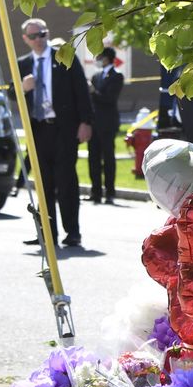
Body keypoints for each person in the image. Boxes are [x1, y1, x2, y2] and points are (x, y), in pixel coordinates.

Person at [17, 18, 93, 247]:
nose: (39, 39)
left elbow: (81, 90)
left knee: (66, 181)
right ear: (25, 39)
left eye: (42, 34)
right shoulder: (22, 64)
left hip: (63, 129)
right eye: (33, 36)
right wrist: (22, 87)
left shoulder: (63, 57)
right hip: (38, 131)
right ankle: (46, 234)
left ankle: (73, 232)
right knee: (43, 183)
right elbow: (12, 93)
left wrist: (86, 122)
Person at [88, 47, 125, 204]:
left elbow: (110, 98)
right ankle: (95, 192)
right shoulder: (96, 76)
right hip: (94, 123)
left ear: (107, 58)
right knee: (93, 158)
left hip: (108, 123)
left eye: (100, 57)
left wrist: (93, 92)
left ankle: (110, 192)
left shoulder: (117, 76)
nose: (98, 59)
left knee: (108, 158)